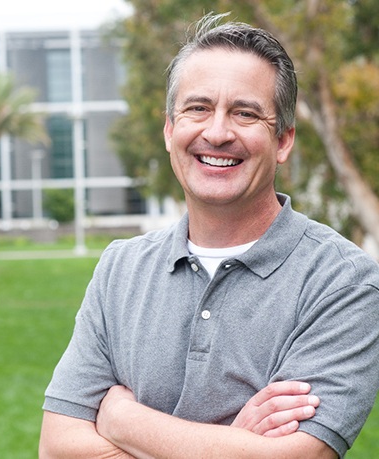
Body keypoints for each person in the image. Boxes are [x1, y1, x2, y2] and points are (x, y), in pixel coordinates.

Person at [39, 13, 379, 459]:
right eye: (197, 108)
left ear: (283, 141)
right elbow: (56, 447)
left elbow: (299, 455)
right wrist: (230, 446)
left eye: (245, 113)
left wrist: (122, 419)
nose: (217, 133)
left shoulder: (344, 283)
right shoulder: (120, 268)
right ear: (169, 130)